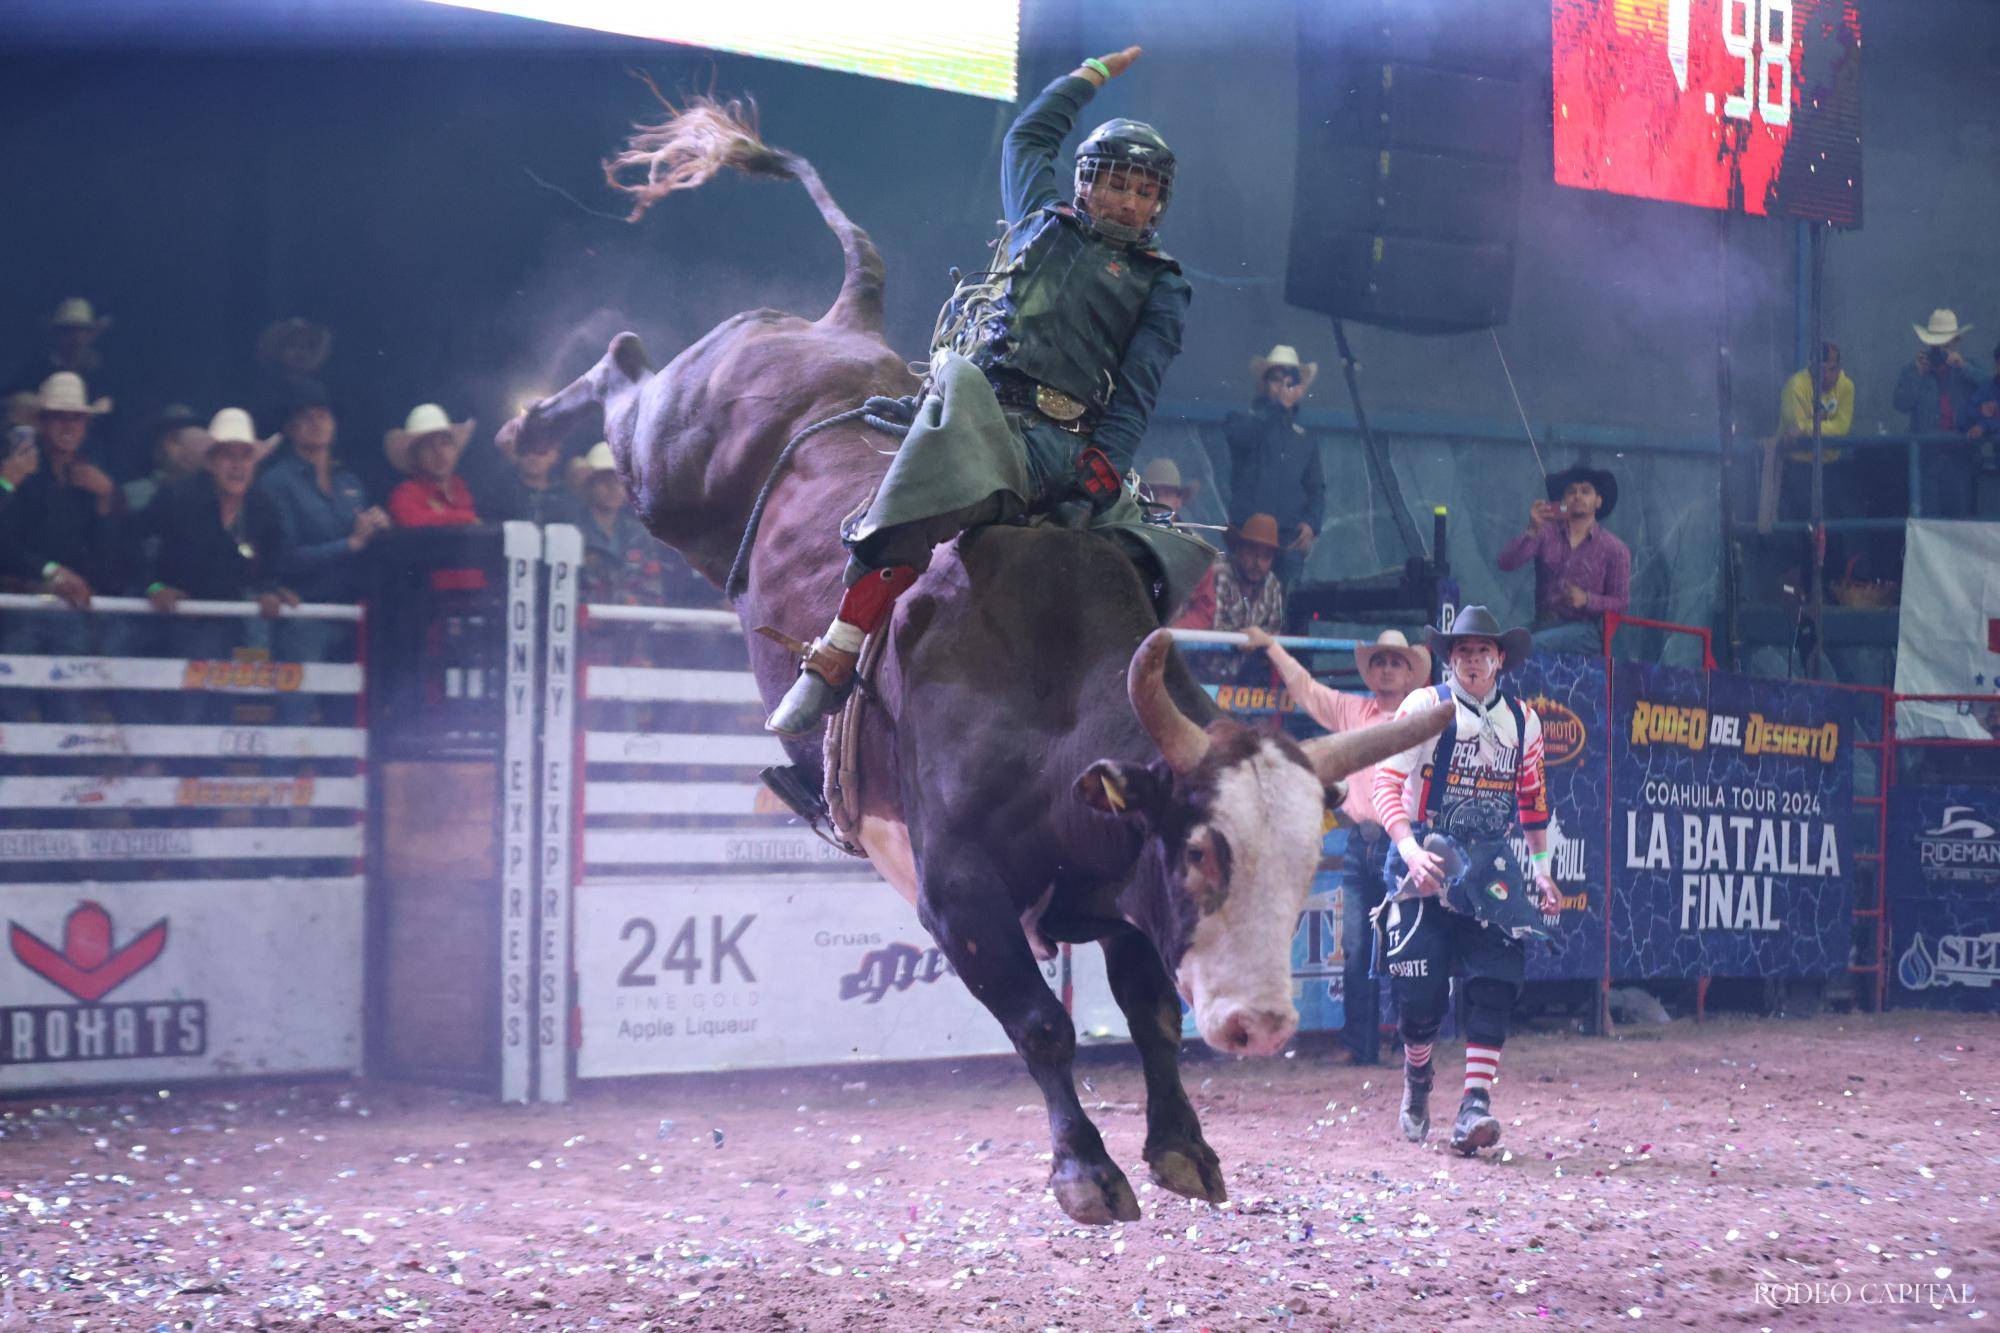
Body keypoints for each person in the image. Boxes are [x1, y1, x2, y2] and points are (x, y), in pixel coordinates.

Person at [765, 44, 1204, 736]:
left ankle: (1129, 721)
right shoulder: (1040, 219)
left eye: (1145, 191)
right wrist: (1088, 77)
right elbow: (1030, 135)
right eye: (1117, 183)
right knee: (946, 419)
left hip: (1073, 447)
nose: (1129, 200)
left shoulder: (1162, 282)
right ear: (1084, 182)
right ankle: (835, 656)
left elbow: (1140, 388)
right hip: (988, 420)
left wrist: (1103, 465)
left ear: (1158, 205)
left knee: (1156, 563)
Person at [1370, 605, 1558, 1156]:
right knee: (1419, 996)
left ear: (1500, 659)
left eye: (1483, 651)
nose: (1473, 660)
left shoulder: (1525, 722)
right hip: (1424, 858)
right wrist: (1408, 850)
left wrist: (1543, 872)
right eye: (1463, 651)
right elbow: (1386, 783)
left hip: (1493, 868)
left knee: (1495, 979)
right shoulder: (1423, 706)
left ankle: (1475, 1104)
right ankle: (1419, 1074)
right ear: (1450, 659)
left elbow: (1533, 801)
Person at [1241, 625, 1431, 1065]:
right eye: (1380, 662)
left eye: (1395, 663)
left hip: (1400, 844)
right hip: (1361, 841)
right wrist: (1273, 646)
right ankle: (1361, 1048)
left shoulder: (1417, 718)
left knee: (1408, 949)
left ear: (1409, 675)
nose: (1386, 670)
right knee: (1359, 950)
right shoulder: (1354, 711)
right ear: (1372, 672)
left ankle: (1411, 1048)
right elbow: (1305, 689)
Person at [136, 408, 297, 665]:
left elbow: (273, 562)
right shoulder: (177, 497)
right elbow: (128, 542)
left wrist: (271, 590)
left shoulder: (263, 508)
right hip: (176, 621)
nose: (238, 466)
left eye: (246, 457)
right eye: (228, 456)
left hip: (236, 623)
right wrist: (154, 587)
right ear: (211, 461)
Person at [1496, 463, 1629, 656]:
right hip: (1543, 625)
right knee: (1498, 651)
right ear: (1563, 500)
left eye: (1585, 491)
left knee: (1527, 648)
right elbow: (1506, 563)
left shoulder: (1615, 549)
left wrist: (1587, 600)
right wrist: (1532, 529)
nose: (1577, 496)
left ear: (1598, 501)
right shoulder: (1545, 533)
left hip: (1586, 632)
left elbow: (1621, 603)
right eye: (1571, 491)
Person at [1224, 344, 1323, 585]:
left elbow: (1316, 488)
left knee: (1287, 611)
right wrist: (1276, 407)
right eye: (1276, 380)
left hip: (1288, 541)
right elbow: (1241, 437)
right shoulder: (1242, 421)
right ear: (1264, 384)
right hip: (1248, 539)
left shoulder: (1305, 438)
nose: (1282, 386)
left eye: (1289, 381)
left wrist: (1311, 523)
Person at [1893, 309, 1983, 520]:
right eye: (1936, 344)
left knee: (1961, 522)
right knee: (1929, 522)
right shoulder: (1913, 369)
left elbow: (1991, 388)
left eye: (1945, 344)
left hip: (1961, 459)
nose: (1940, 350)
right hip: (1927, 460)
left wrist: (1965, 368)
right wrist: (1917, 375)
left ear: (1956, 343)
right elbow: (1900, 403)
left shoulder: (1968, 368)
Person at [1142, 457, 1217, 629]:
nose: (1159, 501)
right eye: (1153, 493)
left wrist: (1170, 634)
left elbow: (1204, 609)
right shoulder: (1126, 537)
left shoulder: (1195, 549)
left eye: (1167, 494)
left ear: (1179, 501)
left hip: (1175, 644)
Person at [384, 404, 479, 527]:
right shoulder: (404, 495)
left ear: (455, 450)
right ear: (415, 457)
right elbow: (412, 520)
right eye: (428, 446)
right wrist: (467, 518)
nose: (439, 453)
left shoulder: (462, 489)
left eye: (444, 443)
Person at [489, 418, 583, 527]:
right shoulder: (500, 494)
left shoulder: (567, 499)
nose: (532, 457)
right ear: (517, 452)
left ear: (554, 455)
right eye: (526, 450)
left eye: (541, 451)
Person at [1212, 512, 1286, 636]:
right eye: (1251, 553)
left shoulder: (1272, 584)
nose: (1258, 563)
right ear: (1238, 549)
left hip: (1256, 655)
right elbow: (1211, 630)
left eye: (1266, 557)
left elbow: (1274, 634)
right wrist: (1250, 638)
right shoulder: (1219, 574)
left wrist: (1260, 640)